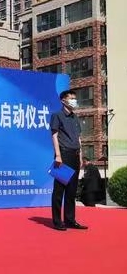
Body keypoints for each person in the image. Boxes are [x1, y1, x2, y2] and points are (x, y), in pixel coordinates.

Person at [49, 90, 88, 231]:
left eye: (74, 98)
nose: (74, 101)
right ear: (63, 100)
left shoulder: (75, 117)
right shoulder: (57, 115)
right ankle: (57, 221)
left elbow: (78, 138)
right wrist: (58, 155)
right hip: (64, 155)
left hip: (75, 155)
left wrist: (80, 155)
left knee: (72, 190)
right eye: (71, 98)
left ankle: (70, 220)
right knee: (59, 190)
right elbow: (54, 136)